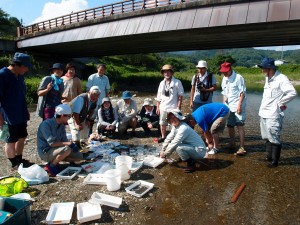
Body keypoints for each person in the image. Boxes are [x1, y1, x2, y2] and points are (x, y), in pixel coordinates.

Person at [258, 58, 297, 167]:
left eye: (264, 68)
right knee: (266, 137)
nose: (262, 71)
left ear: (270, 68)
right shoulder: (267, 78)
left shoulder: (281, 78)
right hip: (263, 112)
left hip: (274, 114)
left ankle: (275, 161)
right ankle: (269, 157)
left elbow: (292, 93)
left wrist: (281, 102)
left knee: (274, 137)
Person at [0, 52, 33, 170]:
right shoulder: (2, 75)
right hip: (9, 115)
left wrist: (26, 110)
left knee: (22, 136)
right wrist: (0, 118)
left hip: (21, 112)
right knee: (11, 139)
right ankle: (14, 162)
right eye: (26, 66)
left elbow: (22, 95)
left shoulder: (20, 75)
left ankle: (19, 158)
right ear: (17, 65)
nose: (27, 69)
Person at [37, 104, 83, 177]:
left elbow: (64, 140)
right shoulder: (46, 125)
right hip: (46, 152)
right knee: (67, 149)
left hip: (57, 150)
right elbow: (52, 144)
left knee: (79, 156)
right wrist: (68, 143)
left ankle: (58, 160)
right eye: (68, 116)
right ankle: (51, 166)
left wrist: (72, 146)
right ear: (62, 115)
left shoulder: (61, 125)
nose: (69, 118)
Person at [220, 62, 247, 156]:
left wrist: (239, 106)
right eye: (223, 72)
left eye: (225, 72)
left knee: (240, 125)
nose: (224, 74)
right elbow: (224, 93)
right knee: (230, 125)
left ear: (230, 70)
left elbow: (242, 93)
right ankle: (232, 143)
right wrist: (224, 105)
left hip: (238, 105)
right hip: (229, 106)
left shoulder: (238, 77)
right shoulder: (224, 78)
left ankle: (242, 147)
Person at [156, 64, 184, 143]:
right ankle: (163, 137)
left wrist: (178, 107)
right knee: (162, 123)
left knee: (174, 123)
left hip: (173, 107)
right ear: (163, 73)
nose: (166, 73)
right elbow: (158, 96)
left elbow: (180, 96)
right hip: (163, 107)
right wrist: (158, 107)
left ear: (172, 73)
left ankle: (174, 137)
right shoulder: (161, 83)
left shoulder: (177, 82)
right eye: (165, 72)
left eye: (168, 71)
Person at [86, 64, 110, 133]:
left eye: (103, 70)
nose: (101, 71)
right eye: (100, 69)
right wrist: (88, 100)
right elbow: (88, 89)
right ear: (97, 69)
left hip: (102, 100)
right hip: (93, 100)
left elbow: (107, 89)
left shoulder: (106, 78)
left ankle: (100, 131)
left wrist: (107, 100)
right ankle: (89, 131)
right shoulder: (92, 77)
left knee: (101, 116)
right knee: (91, 116)